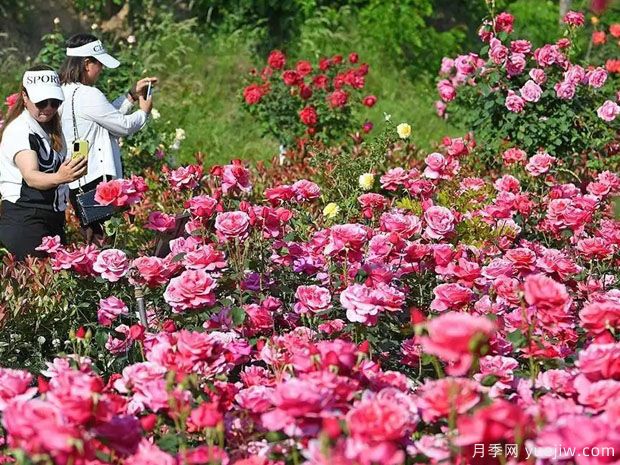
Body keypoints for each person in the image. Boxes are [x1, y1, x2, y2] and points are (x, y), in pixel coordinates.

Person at [59, 33, 157, 244]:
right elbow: (122, 126)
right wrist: (143, 112)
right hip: (97, 181)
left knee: (93, 237)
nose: (101, 69)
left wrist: (130, 96)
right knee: (104, 240)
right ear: (86, 63)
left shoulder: (62, 92)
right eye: (99, 63)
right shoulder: (89, 94)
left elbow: (102, 117)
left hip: (77, 181)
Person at [0, 65, 87, 260]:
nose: (48, 108)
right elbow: (31, 176)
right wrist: (60, 176)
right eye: (41, 102)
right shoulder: (20, 130)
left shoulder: (49, 129)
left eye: (54, 102)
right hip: (25, 219)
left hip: (51, 218)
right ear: (25, 97)